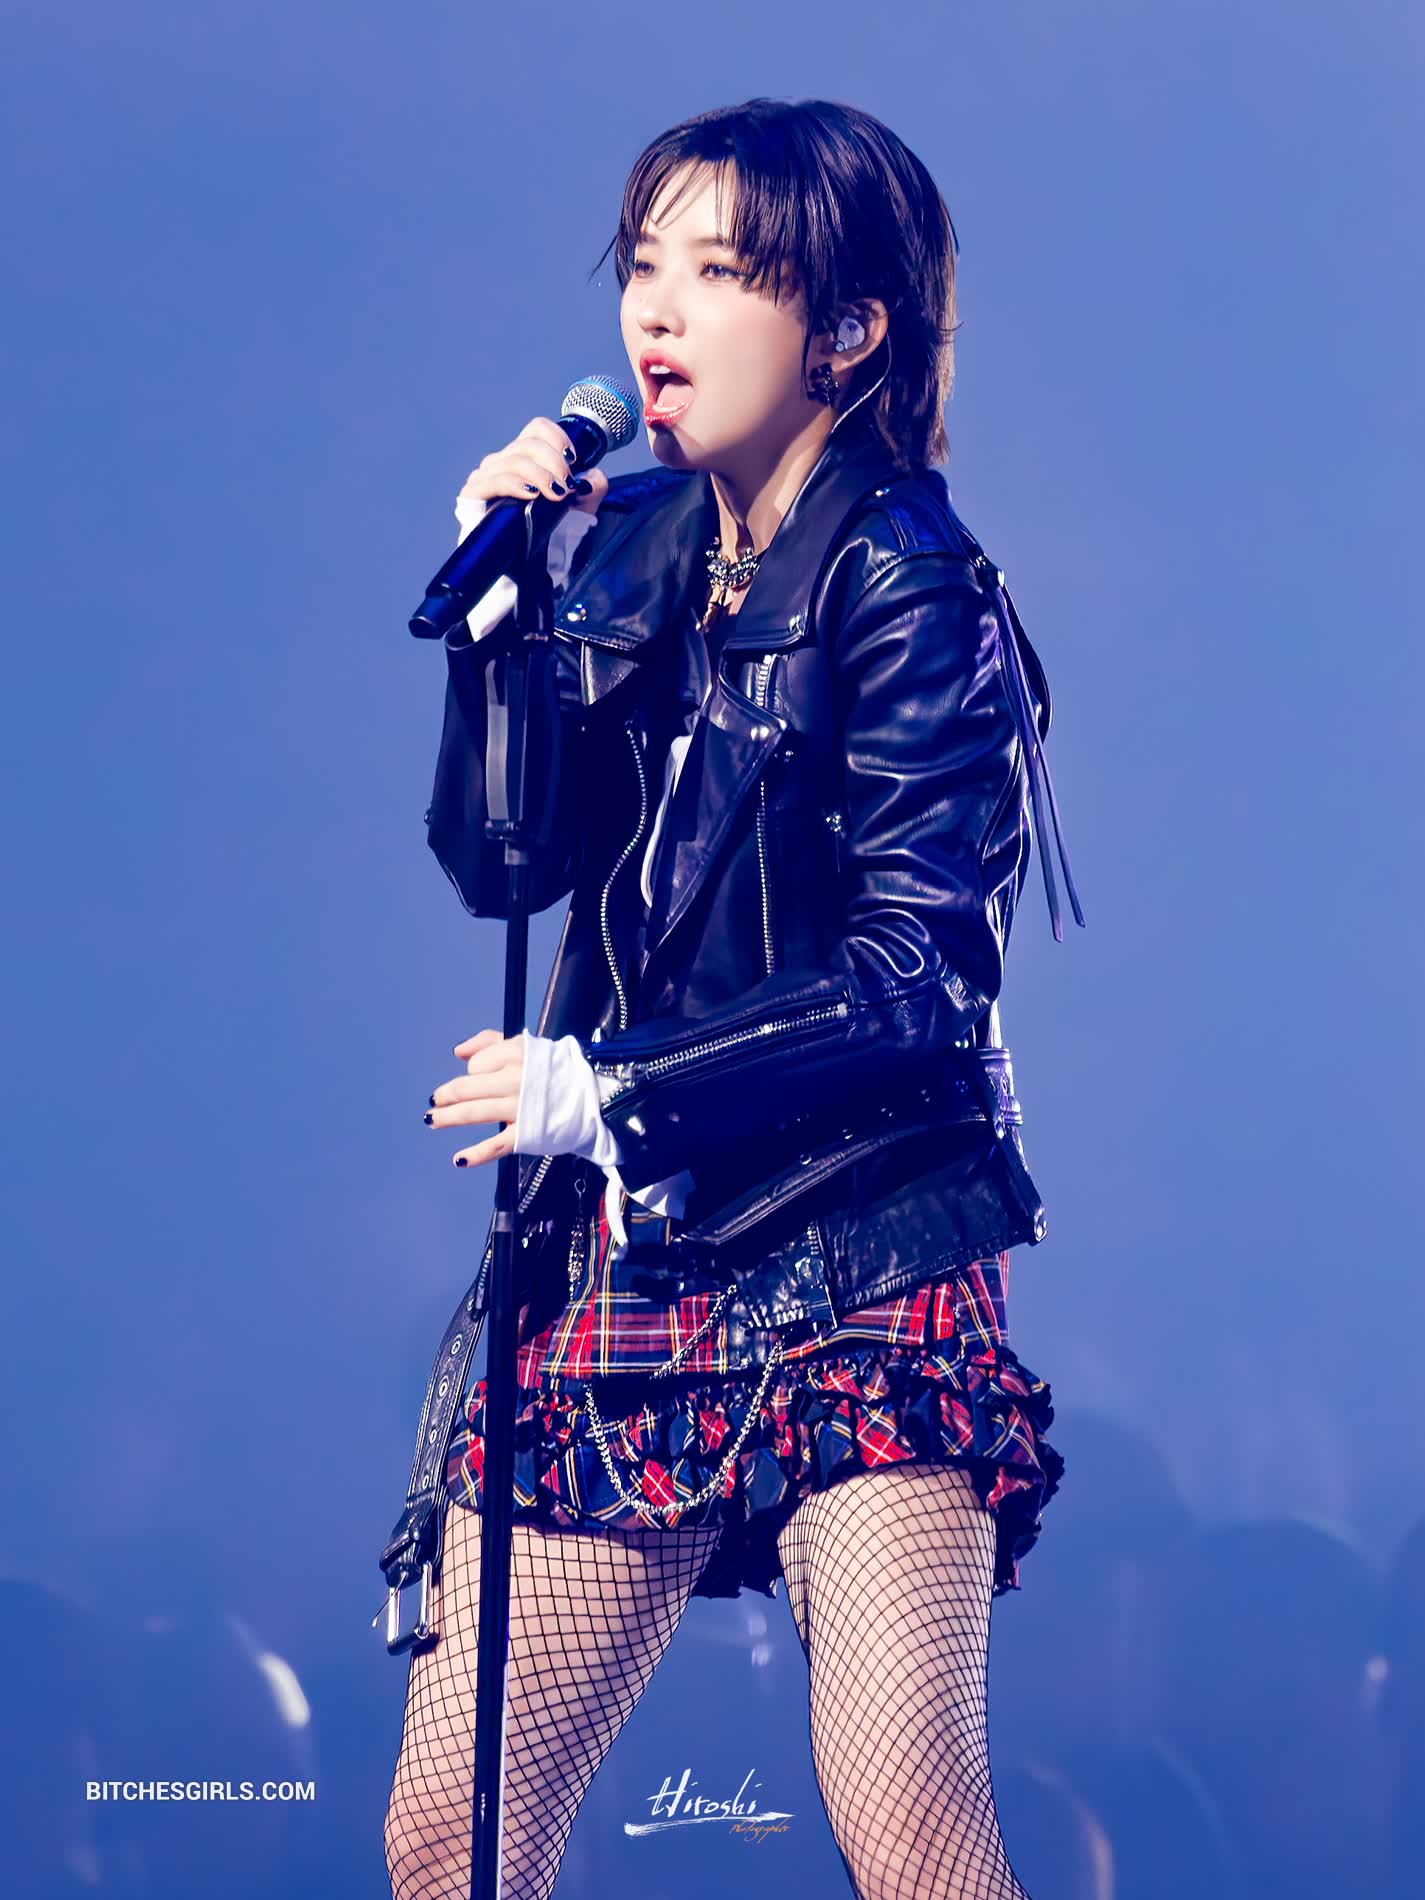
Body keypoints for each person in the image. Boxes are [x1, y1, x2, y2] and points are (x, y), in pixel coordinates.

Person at [383, 96, 1080, 1900]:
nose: (656, 311)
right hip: (639, 1240)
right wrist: (502, 636)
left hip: (860, 1239)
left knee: (904, 1825)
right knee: (449, 1836)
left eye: (716, 270)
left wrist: (608, 1086)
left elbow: (920, 973)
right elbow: (507, 868)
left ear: (845, 328)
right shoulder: (621, 543)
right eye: (641, 267)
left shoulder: (907, 578)